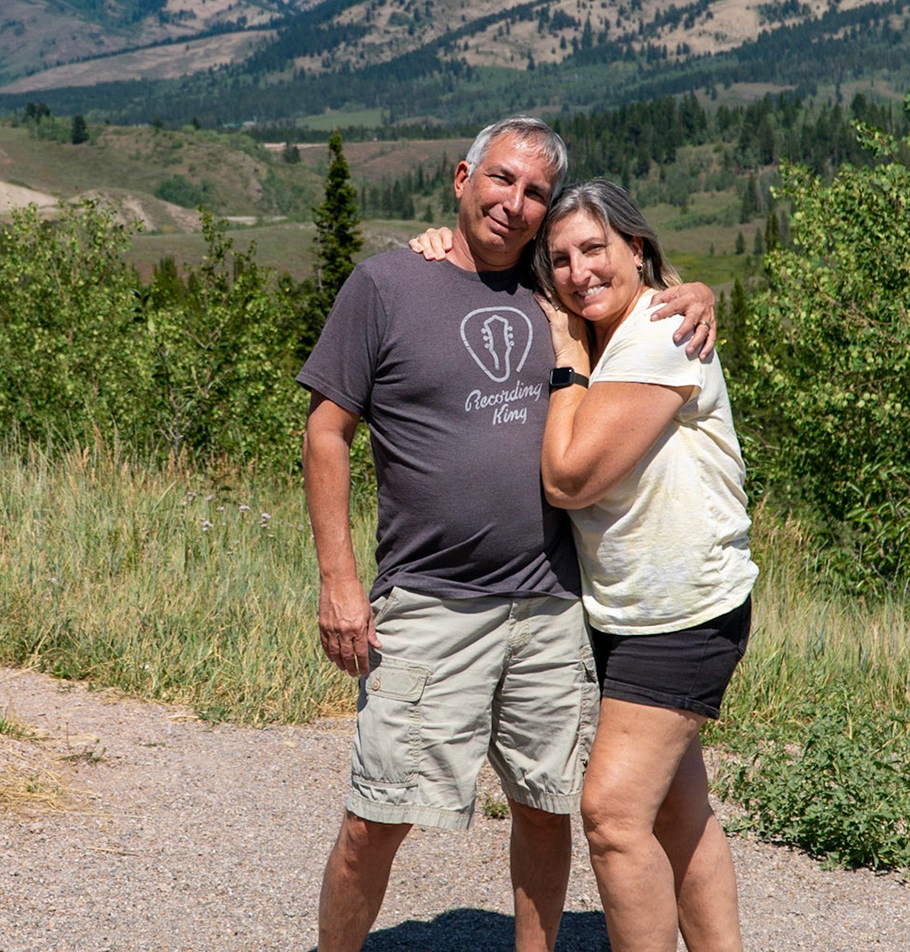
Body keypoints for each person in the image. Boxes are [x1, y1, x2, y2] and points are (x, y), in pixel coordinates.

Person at [299, 118, 719, 952]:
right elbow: (325, 434)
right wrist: (339, 582)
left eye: (534, 192)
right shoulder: (387, 283)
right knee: (377, 817)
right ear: (463, 178)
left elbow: (636, 289)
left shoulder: (556, 298)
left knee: (545, 806)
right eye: (500, 180)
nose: (514, 203)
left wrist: (701, 291)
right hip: (428, 603)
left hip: (552, 603)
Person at [534, 178, 755, 952]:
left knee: (613, 815)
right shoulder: (617, 327)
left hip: (683, 613)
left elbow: (570, 479)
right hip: (635, 610)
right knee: (677, 814)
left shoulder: (659, 331)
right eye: (559, 258)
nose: (578, 270)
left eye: (595, 248)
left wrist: (565, 365)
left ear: (637, 247)